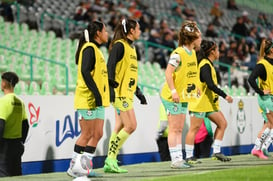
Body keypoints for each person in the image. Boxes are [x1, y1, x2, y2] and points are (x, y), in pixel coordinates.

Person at [66, 21, 110, 178]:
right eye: (105, 31)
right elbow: (85, 72)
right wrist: (96, 94)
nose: (107, 34)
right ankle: (73, 167)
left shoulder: (97, 50)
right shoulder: (89, 48)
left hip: (97, 101)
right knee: (87, 133)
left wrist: (109, 85)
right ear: (98, 33)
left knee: (97, 134)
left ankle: (83, 167)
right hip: (88, 99)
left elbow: (97, 75)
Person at [160, 20, 202, 169]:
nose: (201, 39)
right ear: (192, 39)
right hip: (172, 97)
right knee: (174, 129)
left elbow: (192, 73)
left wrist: (197, 86)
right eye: (199, 36)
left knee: (179, 129)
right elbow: (168, 72)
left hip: (184, 96)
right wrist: (173, 91)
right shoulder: (178, 53)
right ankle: (176, 160)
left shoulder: (192, 53)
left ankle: (179, 158)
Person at [185, 40, 233, 164]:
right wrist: (225, 95)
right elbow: (210, 85)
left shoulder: (208, 64)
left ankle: (216, 152)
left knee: (222, 124)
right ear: (212, 52)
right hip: (199, 104)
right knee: (194, 129)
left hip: (208, 104)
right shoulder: (205, 64)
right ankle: (189, 156)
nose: (218, 53)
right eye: (217, 50)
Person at [103, 18, 142, 173]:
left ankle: (109, 162)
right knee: (131, 125)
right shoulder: (120, 45)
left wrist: (138, 92)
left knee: (119, 126)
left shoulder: (132, 49)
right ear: (131, 31)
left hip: (128, 93)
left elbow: (130, 72)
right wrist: (111, 90)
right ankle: (111, 158)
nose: (140, 31)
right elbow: (110, 66)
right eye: (138, 28)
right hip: (120, 94)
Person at [248, 38, 273, 159]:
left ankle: (260, 148)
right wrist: (260, 91)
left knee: (268, 124)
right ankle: (258, 148)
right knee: (271, 124)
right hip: (266, 98)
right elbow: (251, 79)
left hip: (270, 98)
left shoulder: (270, 63)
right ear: (271, 50)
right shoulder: (262, 64)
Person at [0, 71, 29, 177]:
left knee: (3, 174)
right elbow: (25, 125)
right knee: (16, 174)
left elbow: (1, 124)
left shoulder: (3, 101)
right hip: (17, 144)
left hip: (5, 146)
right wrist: (21, 141)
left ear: (4, 83)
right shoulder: (20, 102)